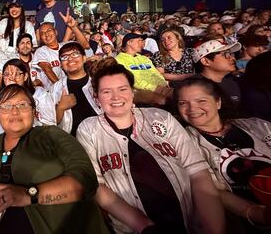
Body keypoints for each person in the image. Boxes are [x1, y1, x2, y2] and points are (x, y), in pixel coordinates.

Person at [77, 63, 225, 234]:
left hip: (189, 222)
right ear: (96, 98)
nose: (116, 97)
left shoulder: (161, 117)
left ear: (132, 92)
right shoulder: (88, 129)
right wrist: (145, 227)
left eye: (122, 89)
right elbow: (96, 185)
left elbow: (198, 173)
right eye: (106, 92)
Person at [0, 84, 110, 234]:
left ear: (34, 111)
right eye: (6, 106)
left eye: (22, 105)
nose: (14, 111)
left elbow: (85, 178)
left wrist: (28, 194)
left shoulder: (52, 135)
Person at [175, 77, 271, 232]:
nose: (192, 109)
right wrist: (257, 213)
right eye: (183, 103)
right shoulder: (183, 141)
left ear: (218, 102)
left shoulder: (258, 126)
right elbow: (209, 189)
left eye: (201, 101)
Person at [0, 59, 55, 134]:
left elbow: (50, 123)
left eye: (16, 74)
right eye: (7, 74)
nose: (12, 78)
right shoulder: (0, 95)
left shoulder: (39, 93)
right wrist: (8, 91)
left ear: (25, 76)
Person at [49, 42, 102, 136]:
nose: (70, 59)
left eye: (75, 54)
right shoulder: (55, 89)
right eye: (64, 57)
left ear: (84, 58)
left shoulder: (99, 82)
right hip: (71, 142)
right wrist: (60, 108)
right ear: (61, 64)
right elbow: (49, 124)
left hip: (102, 137)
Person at [32, 10, 91, 89]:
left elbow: (85, 45)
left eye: (49, 30)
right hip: (54, 92)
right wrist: (63, 89)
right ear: (41, 38)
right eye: (42, 33)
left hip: (76, 86)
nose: (46, 34)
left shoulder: (66, 45)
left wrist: (73, 27)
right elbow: (48, 70)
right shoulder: (41, 51)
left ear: (55, 32)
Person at [192, 38, 242, 107]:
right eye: (226, 54)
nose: (233, 58)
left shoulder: (232, 83)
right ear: (205, 61)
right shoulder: (193, 87)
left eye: (231, 54)